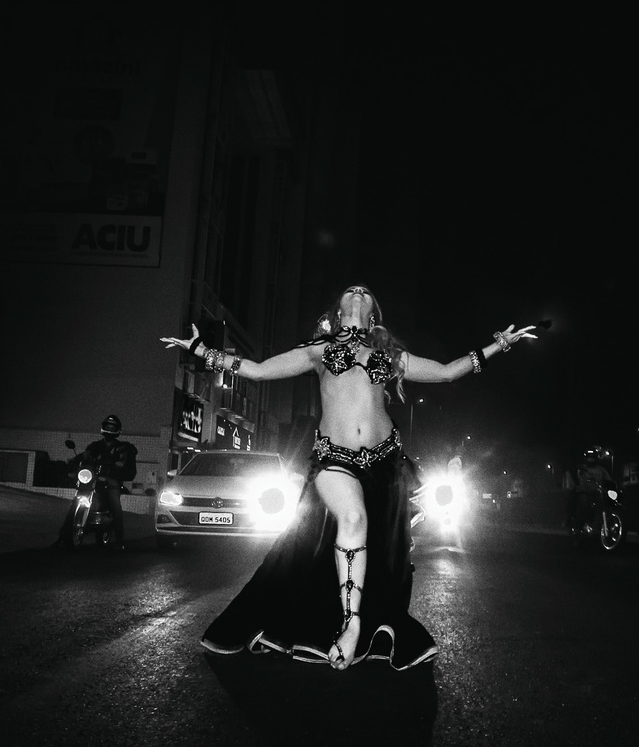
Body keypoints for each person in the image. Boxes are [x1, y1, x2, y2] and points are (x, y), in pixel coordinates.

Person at [160, 285, 538, 670]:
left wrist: (500, 344)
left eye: (365, 292)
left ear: (372, 314)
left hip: (386, 461)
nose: (357, 291)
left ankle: (360, 617)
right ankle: (351, 625)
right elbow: (256, 371)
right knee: (353, 518)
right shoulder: (317, 350)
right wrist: (200, 350)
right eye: (349, 290)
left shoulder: (389, 355)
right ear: (337, 311)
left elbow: (446, 373)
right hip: (333, 457)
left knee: (381, 545)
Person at [53, 414, 136, 548]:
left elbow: (124, 464)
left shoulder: (123, 448)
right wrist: (74, 464)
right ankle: (63, 536)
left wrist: (114, 471)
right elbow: (85, 455)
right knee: (75, 502)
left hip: (111, 481)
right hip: (93, 479)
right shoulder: (95, 446)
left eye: (112, 427)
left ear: (117, 430)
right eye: (107, 426)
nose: (109, 429)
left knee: (114, 503)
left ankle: (120, 540)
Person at [566, 446, 612, 532]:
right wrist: (575, 483)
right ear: (586, 458)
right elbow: (574, 474)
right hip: (585, 492)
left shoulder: (601, 470)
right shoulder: (581, 468)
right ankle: (577, 528)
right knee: (584, 502)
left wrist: (613, 485)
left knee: (607, 502)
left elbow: (608, 479)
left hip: (597, 493)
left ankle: (604, 523)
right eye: (589, 457)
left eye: (592, 457)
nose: (591, 459)